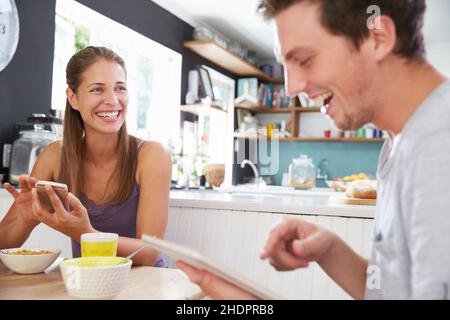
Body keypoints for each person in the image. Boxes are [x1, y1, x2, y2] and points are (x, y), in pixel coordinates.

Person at [178, 0, 450, 299]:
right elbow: (390, 292)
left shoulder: (438, 145)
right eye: (285, 65)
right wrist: (330, 250)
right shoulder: (398, 143)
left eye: (304, 60)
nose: (292, 87)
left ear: (378, 38)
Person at [0, 46, 172, 266]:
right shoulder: (55, 156)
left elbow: (149, 253)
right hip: (87, 285)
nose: (112, 100)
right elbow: (4, 242)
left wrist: (87, 234)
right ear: (73, 98)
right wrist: (25, 218)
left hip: (145, 286)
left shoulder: (152, 155)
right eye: (97, 90)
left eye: (120, 88)